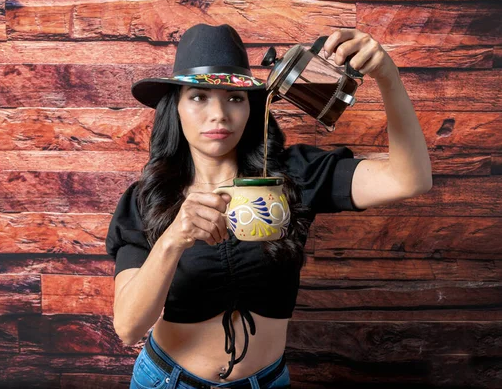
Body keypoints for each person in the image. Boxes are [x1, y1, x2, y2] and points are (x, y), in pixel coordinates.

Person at [107, 24, 432, 389]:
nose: (219, 115)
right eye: (198, 97)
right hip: (166, 380)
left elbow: (410, 179)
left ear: (251, 107)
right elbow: (128, 328)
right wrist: (172, 240)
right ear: (175, 108)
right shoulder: (146, 199)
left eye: (235, 97)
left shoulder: (294, 175)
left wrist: (387, 76)